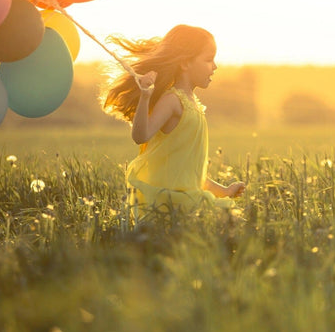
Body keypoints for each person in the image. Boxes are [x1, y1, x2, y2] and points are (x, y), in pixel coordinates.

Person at [101, 25, 245, 218]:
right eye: (208, 59)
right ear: (185, 63)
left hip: (188, 200)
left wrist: (225, 191)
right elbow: (140, 136)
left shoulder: (194, 106)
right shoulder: (173, 101)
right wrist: (145, 97)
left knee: (231, 222)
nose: (215, 66)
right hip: (169, 205)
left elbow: (191, 173)